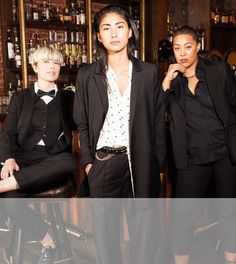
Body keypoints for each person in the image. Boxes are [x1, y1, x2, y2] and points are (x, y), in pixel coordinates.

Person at [73, 4, 166, 264]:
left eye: (119, 26)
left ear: (130, 32)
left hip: (141, 161)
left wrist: (158, 164)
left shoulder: (147, 73)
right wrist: (89, 163)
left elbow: (158, 122)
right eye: (106, 28)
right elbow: (81, 122)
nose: (113, 33)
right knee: (106, 236)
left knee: (145, 234)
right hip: (104, 162)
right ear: (99, 37)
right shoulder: (87, 75)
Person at [162, 25, 236, 264]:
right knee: (182, 214)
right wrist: (165, 83)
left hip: (225, 152)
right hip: (193, 155)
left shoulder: (218, 71)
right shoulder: (173, 83)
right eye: (177, 47)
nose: (182, 52)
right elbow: (157, 115)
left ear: (198, 47)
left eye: (188, 46)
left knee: (229, 211)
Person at [0, 46, 76, 264]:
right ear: (34, 66)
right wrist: (9, 159)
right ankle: (48, 242)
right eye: (46, 62)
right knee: (10, 204)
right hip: (22, 159)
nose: (52, 67)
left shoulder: (67, 98)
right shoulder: (21, 97)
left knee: (69, 162)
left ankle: (2, 185)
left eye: (56, 63)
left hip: (53, 160)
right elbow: (8, 133)